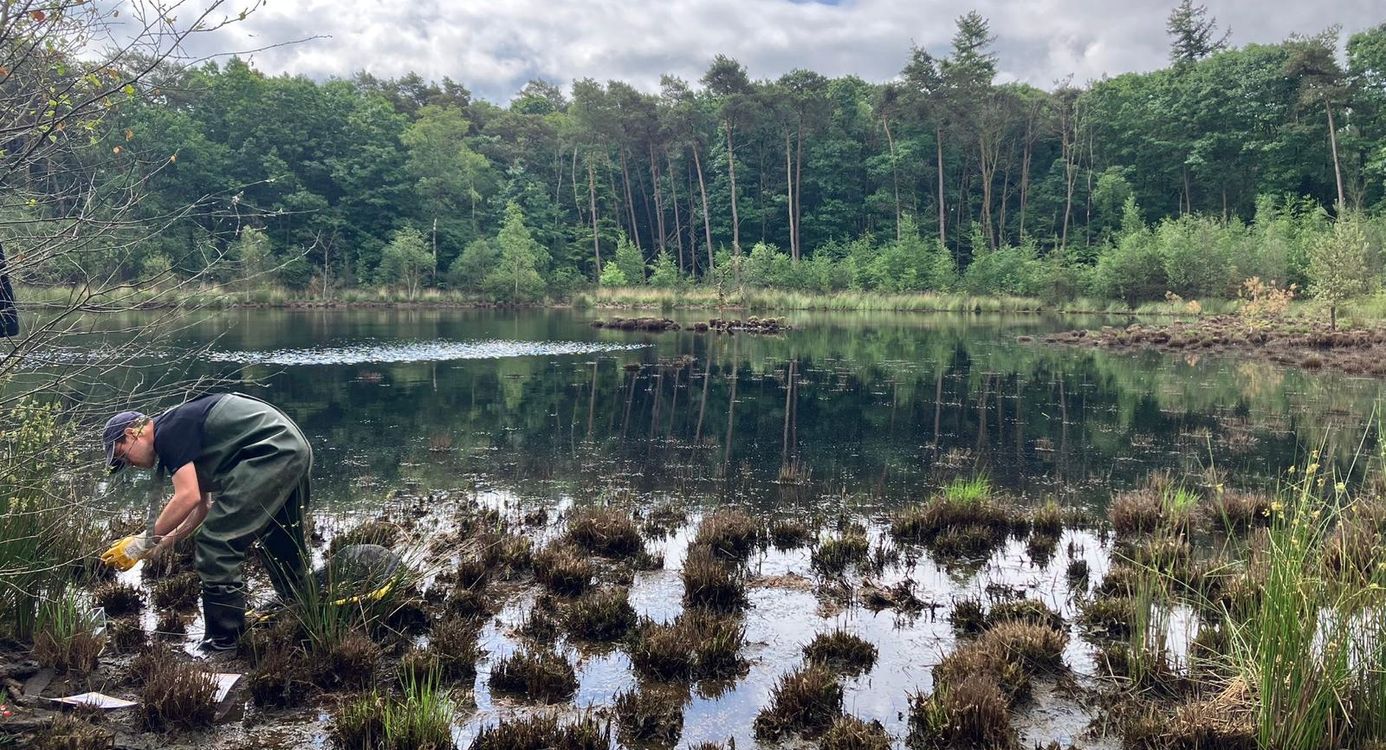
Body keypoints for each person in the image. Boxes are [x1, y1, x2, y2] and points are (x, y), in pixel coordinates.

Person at [99, 392, 312, 652]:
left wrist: (140, 542)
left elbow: (186, 496)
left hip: (271, 453)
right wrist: (159, 545)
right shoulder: (179, 430)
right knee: (278, 534)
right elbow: (201, 507)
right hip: (290, 449)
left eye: (122, 455)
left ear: (133, 433)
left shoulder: (167, 432)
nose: (127, 465)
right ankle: (298, 602)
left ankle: (224, 642)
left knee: (216, 544)